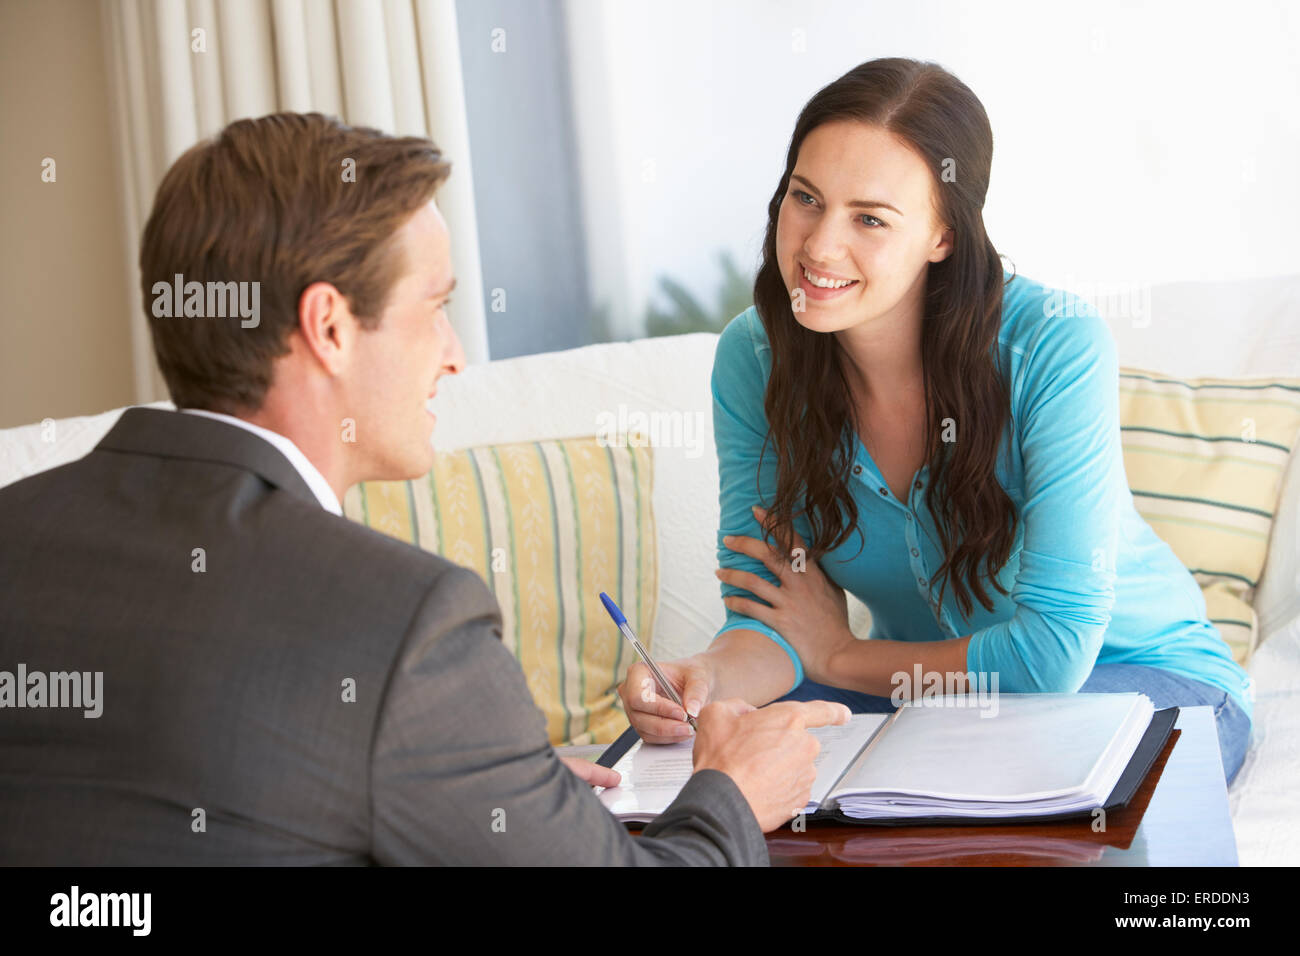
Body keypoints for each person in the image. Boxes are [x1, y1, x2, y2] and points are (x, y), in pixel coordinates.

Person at [0, 111, 849, 865]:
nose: (454, 355)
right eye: (433, 308)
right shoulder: (404, 619)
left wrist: (480, 780)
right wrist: (731, 795)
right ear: (329, 328)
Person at [619, 58, 1253, 786]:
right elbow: (772, 616)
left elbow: (1051, 656)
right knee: (730, 759)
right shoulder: (754, 358)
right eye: (806, 198)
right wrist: (701, 681)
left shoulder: (1054, 343)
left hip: (1137, 678)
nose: (819, 246)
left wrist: (841, 657)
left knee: (1014, 778)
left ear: (943, 235)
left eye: (869, 219)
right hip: (921, 697)